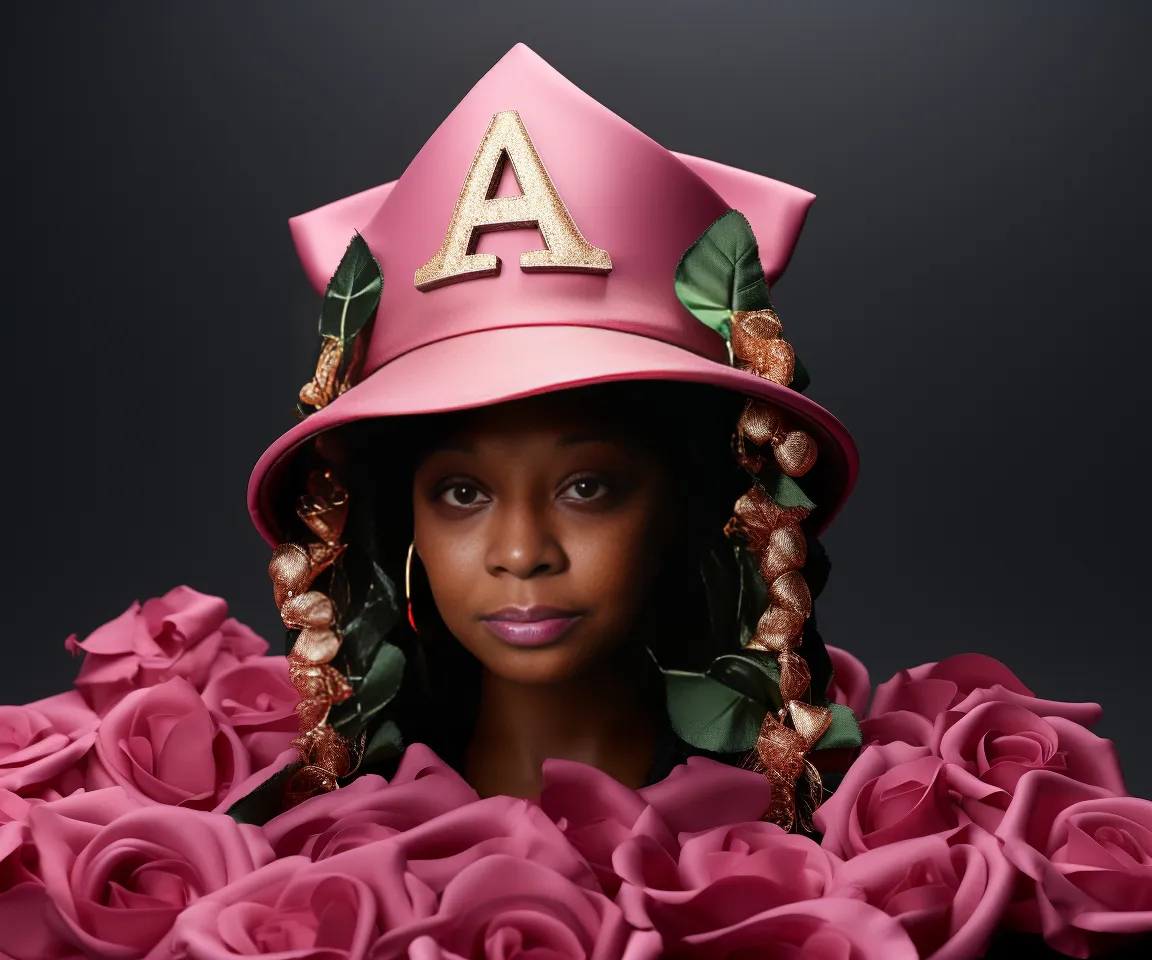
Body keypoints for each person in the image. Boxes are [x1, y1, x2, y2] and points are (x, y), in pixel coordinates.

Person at [240, 42, 862, 832]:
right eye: (462, 493)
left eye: (586, 488)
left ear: (688, 503)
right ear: (407, 526)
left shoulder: (818, 829)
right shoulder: (310, 833)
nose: (523, 551)